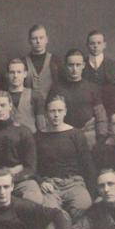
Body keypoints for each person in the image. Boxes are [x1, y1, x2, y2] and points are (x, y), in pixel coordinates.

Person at [0, 90, 43, 204]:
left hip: (19, 179)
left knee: (35, 198)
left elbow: (30, 167)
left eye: (3, 105)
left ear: (10, 106)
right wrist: (0, 176)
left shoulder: (23, 131)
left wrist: (12, 178)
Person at [35, 93, 93, 221]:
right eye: (52, 111)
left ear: (65, 112)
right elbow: (33, 166)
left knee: (84, 206)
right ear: (46, 113)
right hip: (50, 185)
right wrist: (41, 182)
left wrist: (92, 191)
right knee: (50, 213)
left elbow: (87, 164)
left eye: (59, 111)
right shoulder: (38, 137)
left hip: (74, 183)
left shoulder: (76, 134)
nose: (56, 115)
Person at [57, 49, 107, 147]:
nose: (74, 69)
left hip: (88, 135)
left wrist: (101, 137)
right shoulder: (57, 89)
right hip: (64, 136)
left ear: (83, 65)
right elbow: (51, 115)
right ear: (65, 66)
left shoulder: (92, 88)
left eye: (78, 65)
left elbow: (101, 116)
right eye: (71, 65)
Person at [24, 23, 61, 110]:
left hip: (51, 108)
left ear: (46, 39)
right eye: (34, 38)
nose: (38, 41)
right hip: (29, 108)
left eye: (41, 38)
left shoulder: (55, 61)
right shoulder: (23, 62)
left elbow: (60, 87)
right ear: (29, 41)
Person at [5, 57, 42, 132]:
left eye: (19, 72)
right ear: (7, 74)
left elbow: (41, 125)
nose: (15, 76)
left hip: (31, 136)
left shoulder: (35, 95)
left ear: (25, 74)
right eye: (12, 72)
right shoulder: (2, 97)